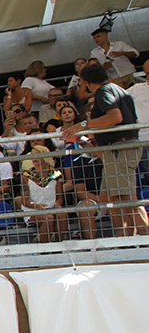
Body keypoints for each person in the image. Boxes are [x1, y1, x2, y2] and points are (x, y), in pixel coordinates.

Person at [60, 63, 148, 236]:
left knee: (126, 197)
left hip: (119, 148)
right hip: (117, 148)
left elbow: (115, 117)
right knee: (109, 198)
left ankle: (144, 237)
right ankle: (123, 240)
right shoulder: (119, 89)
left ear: (85, 82)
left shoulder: (103, 91)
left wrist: (84, 124)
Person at [18, 146, 65, 243]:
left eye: (37, 155)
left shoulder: (56, 174)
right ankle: (45, 247)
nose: (34, 158)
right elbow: (24, 201)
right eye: (32, 155)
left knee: (62, 214)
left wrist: (57, 204)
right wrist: (38, 206)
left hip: (51, 207)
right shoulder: (26, 176)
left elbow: (60, 197)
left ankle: (58, 244)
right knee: (48, 218)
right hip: (33, 210)